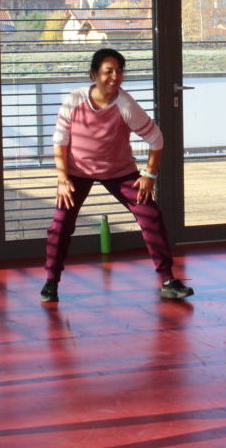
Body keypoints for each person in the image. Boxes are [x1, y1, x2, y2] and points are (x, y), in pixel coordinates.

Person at [40, 48, 194, 303]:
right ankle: (50, 282)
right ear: (94, 74)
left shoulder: (125, 104)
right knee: (60, 224)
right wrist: (63, 179)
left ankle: (168, 281)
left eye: (119, 71)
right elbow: (60, 140)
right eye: (108, 71)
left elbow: (156, 139)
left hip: (119, 171)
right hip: (78, 171)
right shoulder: (74, 100)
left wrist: (149, 175)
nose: (114, 77)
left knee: (151, 216)